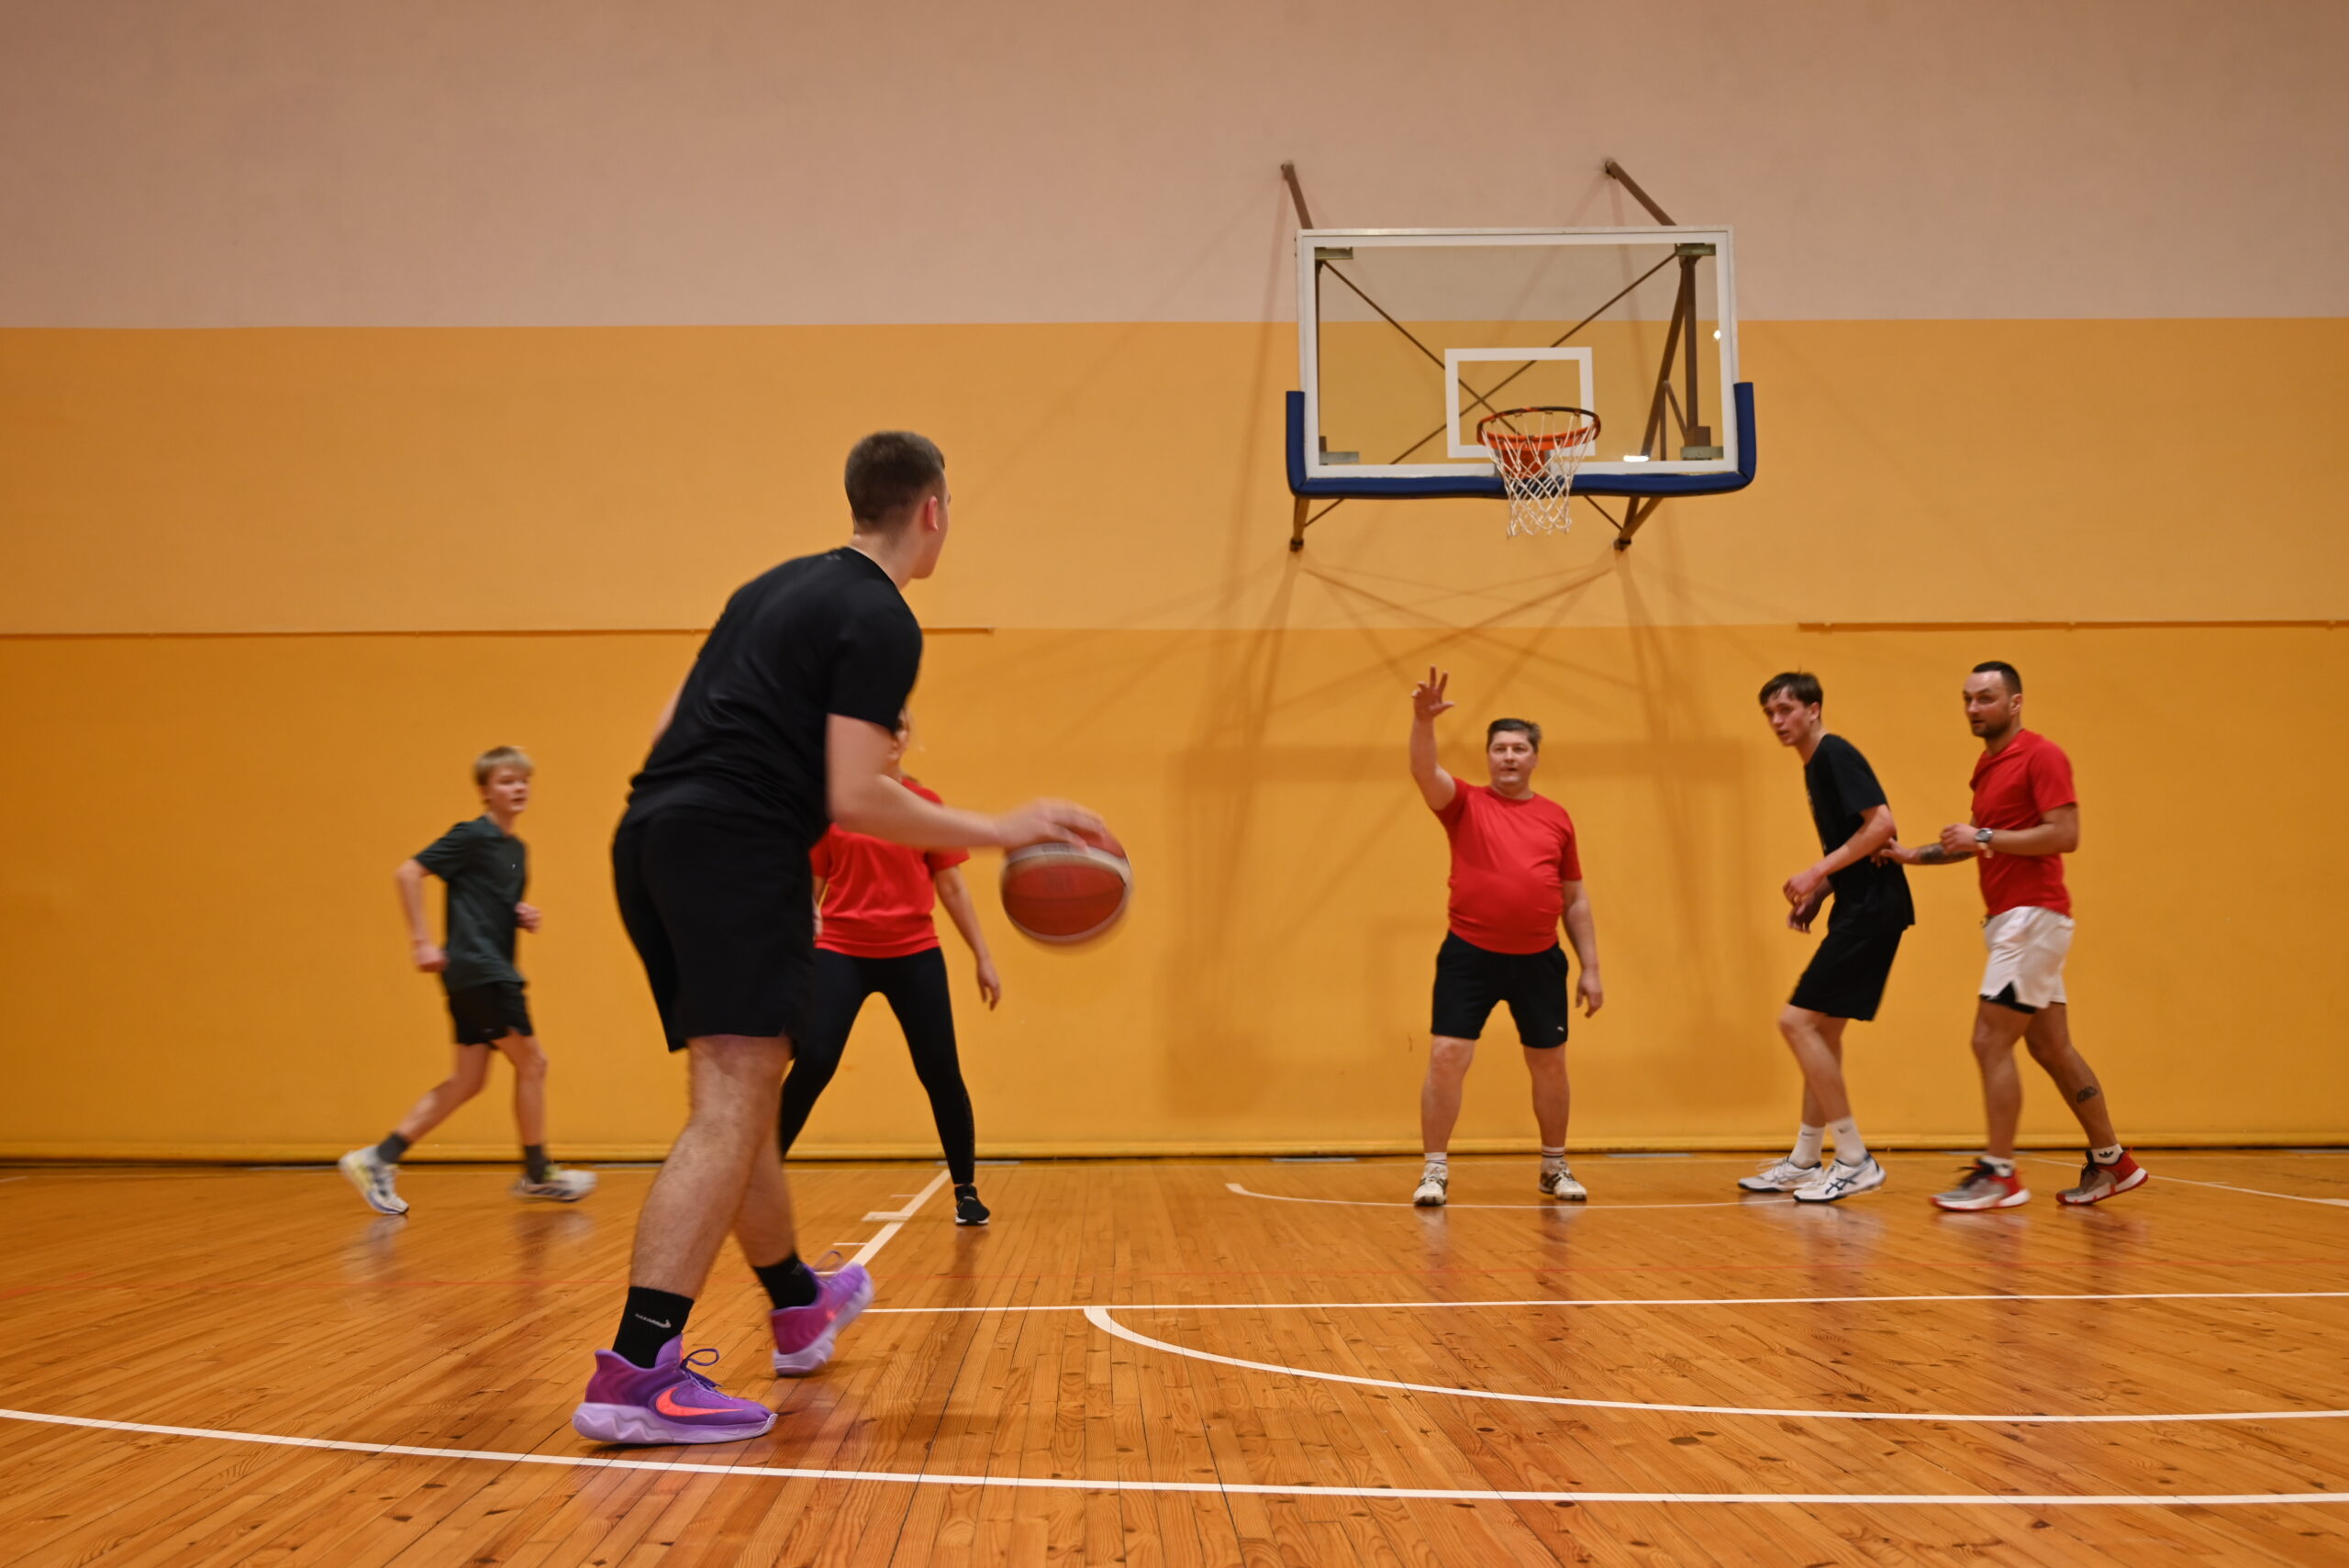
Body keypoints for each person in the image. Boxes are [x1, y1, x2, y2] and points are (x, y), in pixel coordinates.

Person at [573, 431, 1098, 1447]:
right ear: (933, 510)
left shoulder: (769, 589)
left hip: (652, 834)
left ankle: (796, 1302)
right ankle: (637, 1372)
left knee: (740, 1089)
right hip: (735, 846)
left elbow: (671, 725)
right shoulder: (881, 616)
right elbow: (856, 794)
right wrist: (1002, 826)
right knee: (730, 1100)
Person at [1881, 662, 2149, 1211]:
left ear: (2015, 702)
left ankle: (2000, 1174)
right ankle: (2112, 1161)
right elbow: (1981, 843)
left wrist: (1982, 835)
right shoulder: (1987, 766)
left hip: (2032, 918)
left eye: (1985, 697)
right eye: (1967, 699)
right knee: (2051, 1046)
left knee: (1989, 1040)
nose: (1973, 708)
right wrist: (1911, 855)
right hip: (2016, 920)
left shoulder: (2041, 755)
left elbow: (2064, 834)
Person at [340, 747, 596, 1216]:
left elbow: (493, 896)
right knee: (533, 1063)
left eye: (523, 780)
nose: (518, 788)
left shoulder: (516, 850)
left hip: (481, 970)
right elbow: (408, 873)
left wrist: (518, 913)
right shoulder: (471, 835)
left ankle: (378, 1159)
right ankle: (538, 1173)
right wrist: (421, 941)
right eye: (506, 781)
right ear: (484, 791)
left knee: (469, 1079)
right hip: (481, 970)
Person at [779, 712, 1002, 1228]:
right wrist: (793, 947)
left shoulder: (926, 807)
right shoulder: (836, 808)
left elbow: (952, 887)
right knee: (814, 1061)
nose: (891, 735)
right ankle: (758, 1173)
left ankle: (966, 1191)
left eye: (898, 726)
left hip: (914, 951)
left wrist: (983, 956)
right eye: (881, 726)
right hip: (841, 949)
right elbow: (812, 888)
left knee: (940, 1069)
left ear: (905, 739)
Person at [1405, 667, 1603, 1207]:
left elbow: (1575, 898)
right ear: (1489, 757)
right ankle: (1434, 1171)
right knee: (1447, 1056)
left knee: (1550, 1063)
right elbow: (1424, 770)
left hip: (1539, 959)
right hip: (1469, 955)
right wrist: (1423, 720)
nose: (1509, 757)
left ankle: (1554, 1166)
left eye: (1519, 749)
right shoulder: (1464, 803)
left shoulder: (1557, 818)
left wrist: (1591, 967)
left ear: (1534, 757)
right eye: (1500, 749)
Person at [1737, 673, 1909, 1204]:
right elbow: (1857, 841)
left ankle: (1855, 1159)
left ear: (1813, 709)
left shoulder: (1834, 753)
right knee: (1822, 1033)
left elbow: (1882, 825)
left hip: (1874, 911)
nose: (1777, 721)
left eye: (1786, 709)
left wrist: (1816, 872)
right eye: (1769, 713)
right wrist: (1824, 890)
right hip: (1858, 906)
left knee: (1796, 1023)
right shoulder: (1814, 764)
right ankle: (1807, 1158)